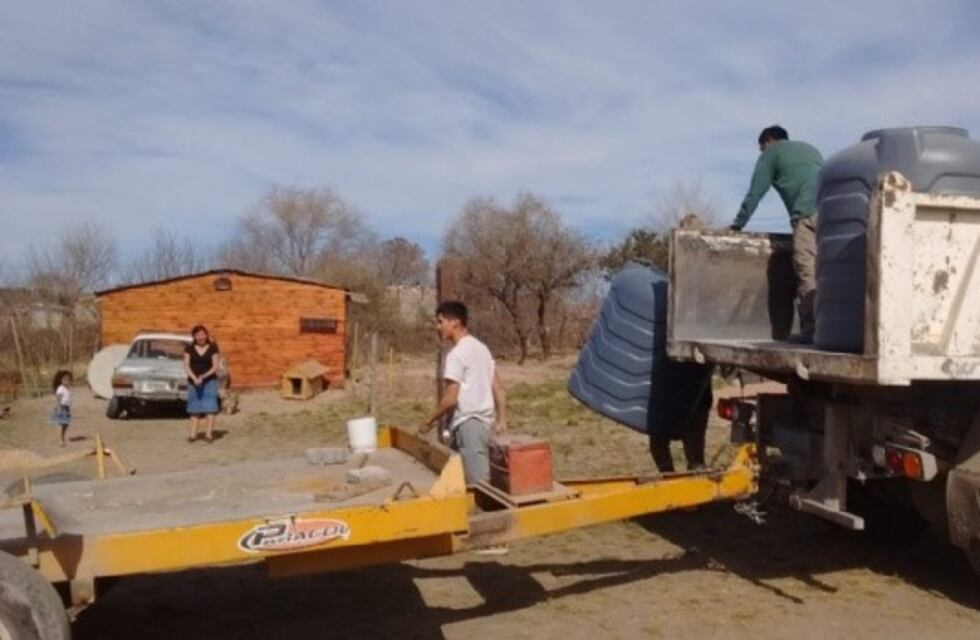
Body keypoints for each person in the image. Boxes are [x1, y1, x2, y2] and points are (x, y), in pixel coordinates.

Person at [730, 125, 823, 342]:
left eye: (761, 148)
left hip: (807, 215)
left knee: (806, 270)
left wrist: (736, 226)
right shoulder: (811, 150)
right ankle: (832, 325)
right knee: (827, 272)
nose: (762, 153)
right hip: (833, 212)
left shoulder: (771, 154)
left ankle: (813, 330)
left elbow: (755, 193)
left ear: (768, 141)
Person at [418, 301, 507, 485]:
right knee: (474, 480)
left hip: (469, 428)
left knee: (479, 486)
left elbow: (450, 398)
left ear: (455, 322)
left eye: (440, 321)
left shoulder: (456, 354)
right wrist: (501, 419)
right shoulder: (482, 349)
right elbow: (498, 388)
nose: (438, 327)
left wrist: (429, 421)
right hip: (486, 426)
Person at [648, 362, 713, 473]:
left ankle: (693, 471)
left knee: (695, 457)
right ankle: (668, 474)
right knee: (659, 441)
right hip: (666, 386)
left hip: (693, 388)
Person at [183, 324, 222, 442]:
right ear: (194, 336)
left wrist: (203, 377)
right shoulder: (188, 348)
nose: (201, 337)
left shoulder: (213, 348)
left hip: (210, 381)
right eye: (198, 335)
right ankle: (192, 435)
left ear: (206, 335)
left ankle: (208, 435)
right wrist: (194, 378)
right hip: (193, 382)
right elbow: (186, 365)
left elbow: (215, 366)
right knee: (194, 409)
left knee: (210, 408)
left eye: (203, 334)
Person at [50, 370, 72, 447]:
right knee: (61, 424)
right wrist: (59, 407)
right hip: (61, 406)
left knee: (66, 423)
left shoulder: (67, 388)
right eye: (65, 379)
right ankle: (60, 439)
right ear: (61, 380)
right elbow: (58, 398)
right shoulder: (60, 388)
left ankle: (62, 436)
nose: (67, 381)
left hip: (66, 407)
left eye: (68, 379)